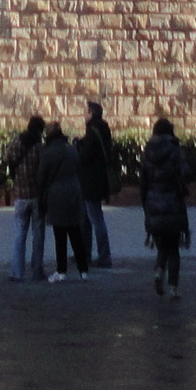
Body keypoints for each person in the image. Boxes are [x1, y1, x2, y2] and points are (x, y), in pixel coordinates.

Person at [140, 116, 190, 298]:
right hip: (172, 204)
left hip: (154, 204)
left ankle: (158, 272)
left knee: (162, 246)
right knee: (174, 248)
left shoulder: (148, 151)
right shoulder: (176, 150)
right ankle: (173, 288)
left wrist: (145, 205)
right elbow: (186, 173)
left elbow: (143, 182)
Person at [37, 122, 90, 280]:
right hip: (73, 192)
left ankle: (61, 270)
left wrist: (41, 198)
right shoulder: (71, 149)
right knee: (75, 233)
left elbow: (42, 177)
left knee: (59, 235)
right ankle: (83, 270)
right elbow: (79, 169)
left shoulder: (48, 152)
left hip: (56, 194)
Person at [7, 115, 47, 283]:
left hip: (20, 195)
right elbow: (43, 169)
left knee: (19, 234)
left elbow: (7, 159)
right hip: (36, 195)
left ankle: (17, 272)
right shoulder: (39, 147)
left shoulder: (16, 142)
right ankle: (37, 271)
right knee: (38, 236)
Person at [77, 102, 115, 268]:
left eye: (86, 112)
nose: (84, 115)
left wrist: (78, 145)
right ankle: (84, 253)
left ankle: (104, 256)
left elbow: (85, 157)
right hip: (97, 181)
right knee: (86, 220)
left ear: (91, 113)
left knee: (95, 219)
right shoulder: (102, 129)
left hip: (91, 182)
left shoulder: (92, 131)